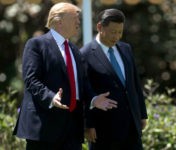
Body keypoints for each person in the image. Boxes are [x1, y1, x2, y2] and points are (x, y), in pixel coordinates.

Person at [13, 3, 117, 150]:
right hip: (44, 128)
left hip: (72, 130)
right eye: (75, 18)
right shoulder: (36, 44)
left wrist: (94, 99)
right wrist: (50, 97)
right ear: (59, 21)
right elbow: (31, 80)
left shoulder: (75, 50)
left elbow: (82, 84)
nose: (78, 22)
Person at [80, 8, 148, 150]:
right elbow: (84, 92)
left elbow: (135, 83)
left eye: (120, 32)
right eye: (112, 32)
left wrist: (141, 114)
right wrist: (88, 124)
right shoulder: (85, 54)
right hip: (103, 129)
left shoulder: (126, 48)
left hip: (132, 126)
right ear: (99, 27)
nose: (116, 37)